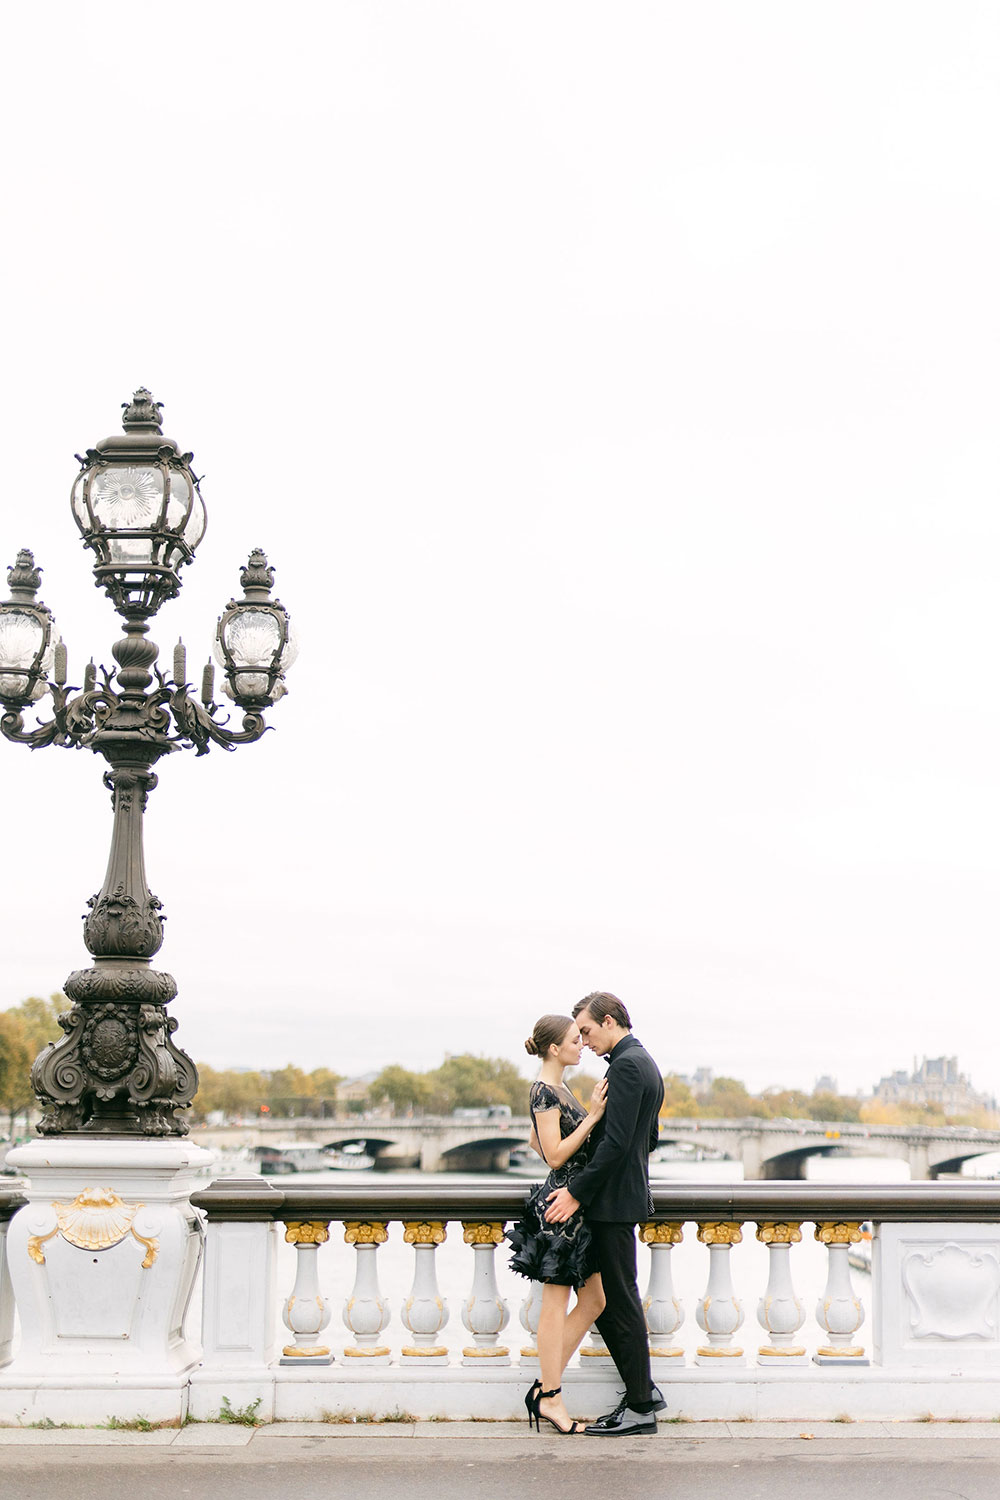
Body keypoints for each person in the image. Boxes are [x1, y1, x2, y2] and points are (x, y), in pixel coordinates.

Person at [545, 991, 665, 1437]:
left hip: (611, 1203)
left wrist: (576, 1191)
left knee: (619, 1302)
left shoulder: (627, 1067)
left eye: (589, 1031)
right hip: (621, 1197)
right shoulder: (643, 1062)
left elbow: (616, 1144)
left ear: (610, 1021)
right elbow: (647, 1138)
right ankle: (643, 1394)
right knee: (616, 1299)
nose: (586, 1041)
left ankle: (640, 1406)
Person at [506, 1013, 608, 1435]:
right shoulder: (545, 1091)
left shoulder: (558, 1089)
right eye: (573, 1039)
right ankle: (552, 1397)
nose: (581, 1044)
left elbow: (535, 1140)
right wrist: (594, 1115)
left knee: (593, 1301)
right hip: (561, 1210)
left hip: (571, 1205)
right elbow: (551, 1154)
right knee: (556, 1304)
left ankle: (545, 1388)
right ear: (554, 1048)